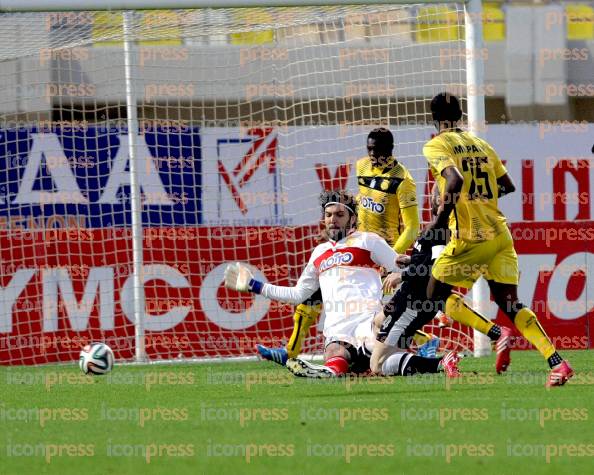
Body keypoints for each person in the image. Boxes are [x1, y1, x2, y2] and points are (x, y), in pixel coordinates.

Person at [422, 92, 573, 387]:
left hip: (470, 236)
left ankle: (495, 334)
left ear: (434, 118)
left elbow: (454, 180)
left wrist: (439, 220)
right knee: (511, 305)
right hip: (500, 234)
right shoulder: (481, 144)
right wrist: (477, 198)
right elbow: (508, 185)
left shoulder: (436, 144)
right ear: (461, 115)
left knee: (435, 295)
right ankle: (557, 362)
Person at [225, 190, 460, 379]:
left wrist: (428, 303)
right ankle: (330, 371)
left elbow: (402, 269)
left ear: (352, 218)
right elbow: (298, 294)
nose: (333, 220)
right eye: (328, 215)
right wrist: (254, 286)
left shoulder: (368, 241)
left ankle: (336, 370)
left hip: (368, 319)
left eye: (339, 214)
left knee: (375, 358)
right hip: (337, 327)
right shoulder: (319, 253)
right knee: (338, 354)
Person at [256, 128, 437, 366]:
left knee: (379, 313)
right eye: (369, 149)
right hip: (357, 243)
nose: (372, 154)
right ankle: (291, 351)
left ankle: (423, 342)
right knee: (312, 297)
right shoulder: (362, 167)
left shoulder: (403, 180)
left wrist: (390, 259)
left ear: (390, 150)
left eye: (378, 150)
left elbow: (413, 227)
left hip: (382, 250)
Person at [370, 183, 510, 375]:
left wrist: (402, 275)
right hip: (412, 301)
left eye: (439, 195)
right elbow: (434, 261)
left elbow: (435, 268)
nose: (434, 198)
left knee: (377, 367)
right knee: (378, 322)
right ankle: (409, 353)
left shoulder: (441, 231)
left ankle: (440, 362)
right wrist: (411, 260)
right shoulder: (447, 230)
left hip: (411, 302)